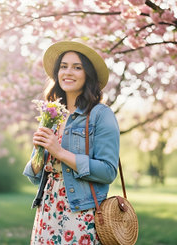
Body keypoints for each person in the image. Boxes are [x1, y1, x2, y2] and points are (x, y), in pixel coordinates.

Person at [23, 40, 120, 245]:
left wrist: (60, 153)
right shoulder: (51, 115)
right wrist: (38, 152)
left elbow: (108, 171)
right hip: (47, 209)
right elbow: (36, 175)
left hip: (81, 211)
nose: (68, 72)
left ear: (88, 75)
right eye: (64, 66)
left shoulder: (101, 114)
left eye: (77, 67)